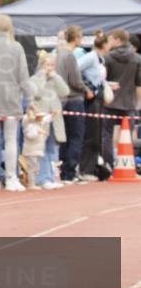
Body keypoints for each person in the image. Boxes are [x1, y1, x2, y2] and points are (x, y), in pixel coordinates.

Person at [0, 14, 33, 192]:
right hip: (11, 97)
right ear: (10, 27)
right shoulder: (16, 47)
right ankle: (11, 177)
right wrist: (30, 98)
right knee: (11, 140)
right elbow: (23, 76)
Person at [30, 50, 70, 189]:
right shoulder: (34, 79)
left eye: (52, 65)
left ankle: (52, 177)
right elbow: (36, 93)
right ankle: (43, 178)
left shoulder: (55, 80)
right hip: (42, 119)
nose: (50, 68)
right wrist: (42, 77)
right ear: (41, 66)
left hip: (55, 119)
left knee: (53, 149)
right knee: (42, 149)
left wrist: (56, 77)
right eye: (47, 65)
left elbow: (65, 92)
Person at [103, 29, 141, 167]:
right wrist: (136, 104)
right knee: (128, 136)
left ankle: (108, 166)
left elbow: (102, 80)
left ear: (117, 40)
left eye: (111, 39)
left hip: (109, 103)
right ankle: (127, 165)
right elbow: (138, 85)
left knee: (106, 136)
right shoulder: (137, 59)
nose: (109, 41)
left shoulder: (107, 57)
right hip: (128, 104)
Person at [56, 25, 89, 182]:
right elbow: (75, 80)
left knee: (65, 137)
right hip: (74, 99)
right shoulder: (69, 55)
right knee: (76, 136)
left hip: (61, 100)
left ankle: (63, 169)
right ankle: (69, 171)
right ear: (75, 38)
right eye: (80, 36)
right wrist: (87, 89)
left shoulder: (58, 54)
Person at [79, 31, 110, 180]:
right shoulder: (90, 57)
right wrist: (87, 88)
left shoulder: (100, 59)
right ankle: (85, 170)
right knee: (91, 135)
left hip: (98, 99)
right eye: (108, 43)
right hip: (91, 100)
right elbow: (76, 69)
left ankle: (92, 168)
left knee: (96, 135)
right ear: (104, 45)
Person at [21, 106, 50, 190]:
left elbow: (47, 119)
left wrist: (53, 114)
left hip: (38, 149)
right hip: (31, 149)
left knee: (36, 167)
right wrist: (39, 132)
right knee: (32, 166)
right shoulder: (28, 124)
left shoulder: (38, 124)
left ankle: (33, 182)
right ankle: (31, 183)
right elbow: (31, 135)